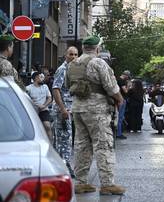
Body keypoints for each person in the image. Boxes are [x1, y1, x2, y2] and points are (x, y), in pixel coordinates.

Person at [65, 36, 125, 195]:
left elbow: (67, 85)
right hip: (96, 110)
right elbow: (111, 87)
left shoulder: (72, 64)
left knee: (81, 145)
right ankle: (107, 184)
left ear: (83, 48)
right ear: (97, 49)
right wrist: (120, 100)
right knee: (103, 144)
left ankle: (81, 182)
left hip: (77, 109)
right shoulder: (98, 63)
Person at [52, 46, 78, 177]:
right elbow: (56, 89)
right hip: (62, 111)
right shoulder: (62, 69)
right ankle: (64, 168)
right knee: (64, 140)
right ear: (65, 55)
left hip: (69, 109)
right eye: (71, 54)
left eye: (75, 54)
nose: (73, 57)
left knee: (65, 139)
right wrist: (62, 109)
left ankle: (61, 167)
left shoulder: (72, 70)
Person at [26, 72, 53, 140]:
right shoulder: (28, 88)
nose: (42, 79)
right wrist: (35, 105)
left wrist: (44, 105)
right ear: (36, 78)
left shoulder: (45, 87)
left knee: (47, 126)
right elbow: (26, 99)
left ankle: (50, 144)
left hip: (43, 109)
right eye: (40, 77)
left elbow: (49, 98)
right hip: (33, 110)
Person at [116, 70, 131, 139]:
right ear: (126, 76)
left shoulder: (116, 79)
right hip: (122, 99)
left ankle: (118, 132)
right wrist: (128, 86)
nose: (127, 79)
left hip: (117, 99)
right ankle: (119, 133)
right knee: (120, 117)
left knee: (119, 116)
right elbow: (125, 91)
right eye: (128, 78)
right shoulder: (121, 81)